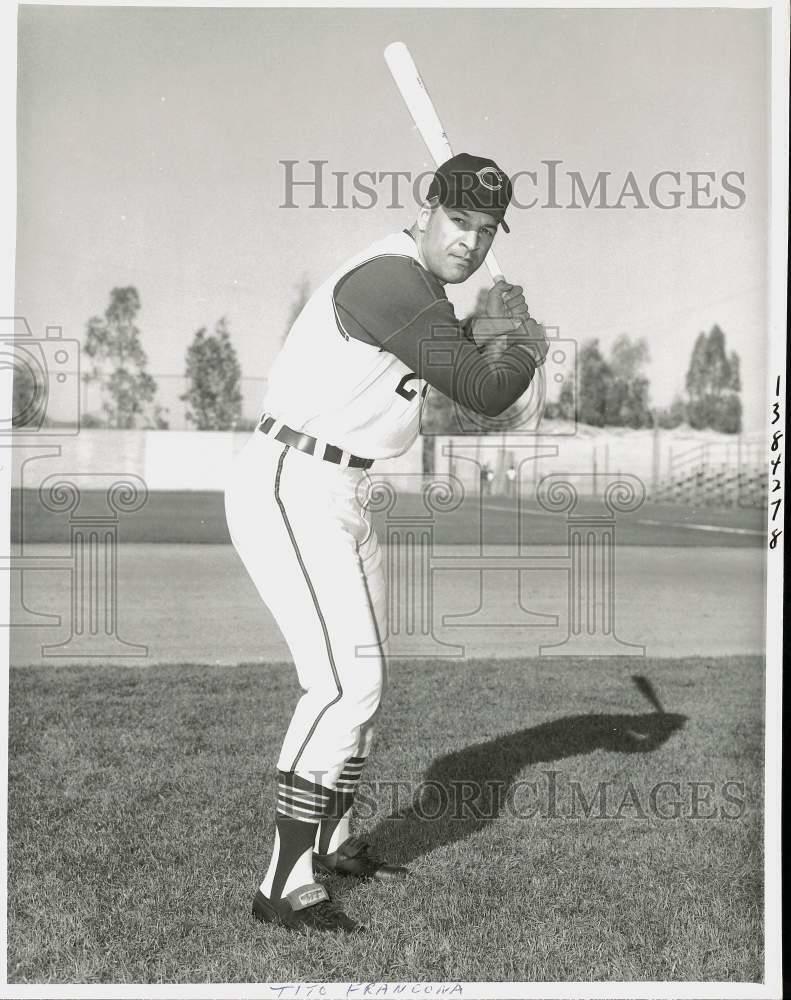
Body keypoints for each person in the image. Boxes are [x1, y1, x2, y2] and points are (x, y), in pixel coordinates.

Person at [224, 153, 549, 934]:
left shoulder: (424, 297)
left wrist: (485, 331)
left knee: (364, 684)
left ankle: (331, 843)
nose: (470, 241)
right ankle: (280, 884)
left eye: (485, 230)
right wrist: (525, 343)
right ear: (427, 207)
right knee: (343, 688)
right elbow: (481, 390)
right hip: (291, 482)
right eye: (459, 221)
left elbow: (463, 367)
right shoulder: (389, 279)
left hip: (343, 490)